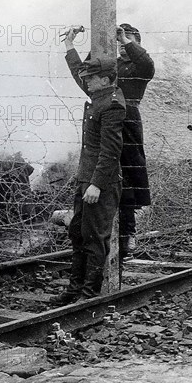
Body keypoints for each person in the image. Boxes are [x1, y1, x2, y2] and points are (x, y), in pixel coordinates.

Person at [64, 23, 154, 261]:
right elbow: (84, 74)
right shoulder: (109, 68)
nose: (123, 46)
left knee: (129, 179)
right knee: (101, 176)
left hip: (128, 123)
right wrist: (72, 46)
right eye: (120, 41)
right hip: (102, 123)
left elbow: (147, 65)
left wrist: (126, 41)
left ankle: (127, 235)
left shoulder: (138, 67)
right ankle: (99, 239)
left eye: (129, 40)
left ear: (137, 44)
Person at [51, 49, 126, 304]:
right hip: (87, 179)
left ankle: (88, 295)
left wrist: (96, 184)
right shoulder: (100, 94)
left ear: (105, 79)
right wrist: (70, 48)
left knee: (95, 238)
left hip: (100, 183)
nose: (87, 81)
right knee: (77, 233)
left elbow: (111, 151)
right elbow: (78, 75)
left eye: (92, 77)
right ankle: (74, 290)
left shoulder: (113, 104)